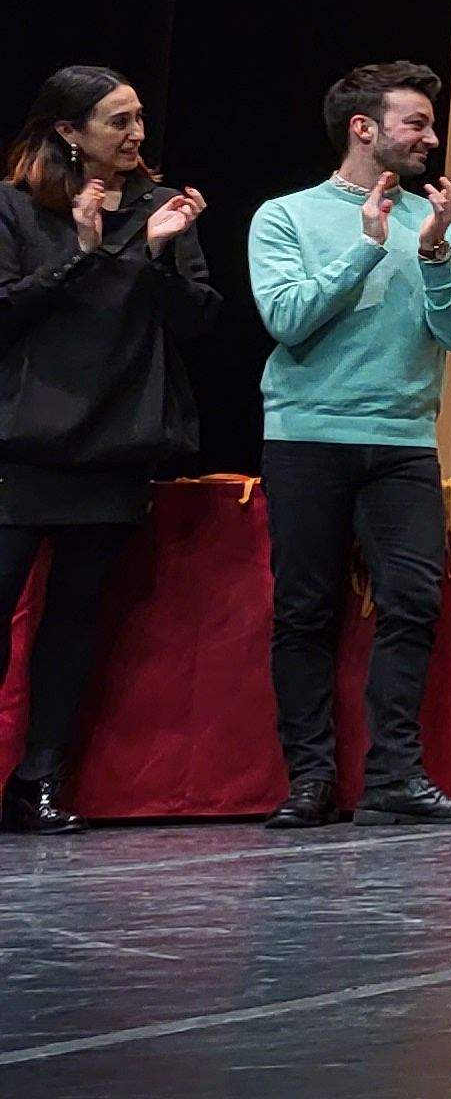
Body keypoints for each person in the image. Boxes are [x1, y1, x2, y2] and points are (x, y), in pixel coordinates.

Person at [247, 62, 451, 827]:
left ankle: (394, 778)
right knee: (306, 612)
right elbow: (287, 320)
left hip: (402, 442)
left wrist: (432, 252)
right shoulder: (284, 217)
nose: (431, 137)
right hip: (308, 439)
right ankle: (312, 781)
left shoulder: (442, 221)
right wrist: (365, 248)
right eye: (415, 123)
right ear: (365, 128)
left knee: (413, 604)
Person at [0, 68, 220, 834]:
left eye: (137, 122)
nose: (135, 137)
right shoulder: (17, 207)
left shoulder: (163, 210)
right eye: (117, 123)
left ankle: (38, 782)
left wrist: (160, 254)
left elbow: (198, 322)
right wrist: (85, 253)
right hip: (22, 442)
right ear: (69, 131)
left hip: (115, 442)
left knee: (75, 618)